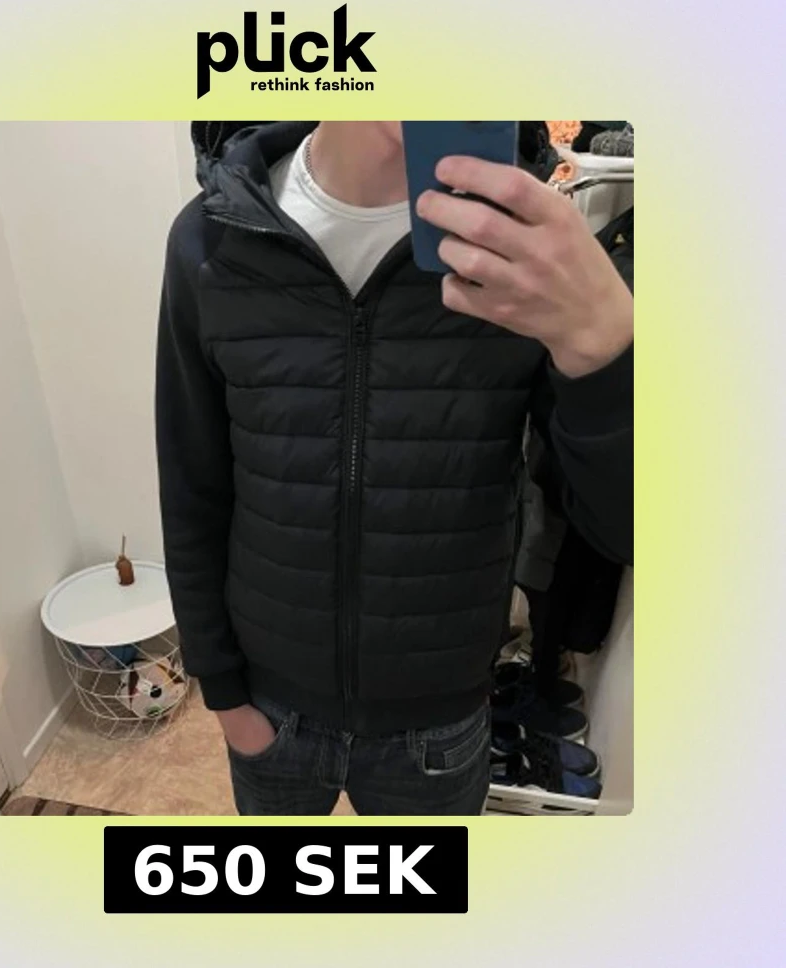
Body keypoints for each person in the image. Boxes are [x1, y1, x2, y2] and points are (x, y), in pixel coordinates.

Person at [154, 122, 632, 815]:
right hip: (271, 713)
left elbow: (621, 530)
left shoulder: (523, 254)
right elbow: (191, 487)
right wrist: (224, 695)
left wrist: (608, 352)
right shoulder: (213, 237)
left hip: (439, 725)